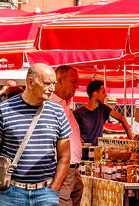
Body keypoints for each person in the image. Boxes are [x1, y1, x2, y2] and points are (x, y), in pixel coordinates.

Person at [0, 64, 72, 206]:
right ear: (30, 82)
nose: (52, 89)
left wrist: (54, 189)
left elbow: (65, 156)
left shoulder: (58, 112)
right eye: (47, 83)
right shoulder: (4, 110)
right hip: (10, 194)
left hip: (45, 193)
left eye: (54, 83)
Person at [51, 66, 83, 206]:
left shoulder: (65, 104)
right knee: (63, 202)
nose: (77, 86)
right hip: (62, 168)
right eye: (73, 81)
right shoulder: (51, 105)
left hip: (73, 169)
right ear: (59, 81)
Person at [74, 80, 131, 145]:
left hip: (98, 152)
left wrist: (131, 140)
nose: (106, 95)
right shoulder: (78, 113)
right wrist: (77, 137)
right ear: (95, 94)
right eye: (103, 92)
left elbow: (122, 119)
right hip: (83, 151)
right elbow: (70, 131)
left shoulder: (104, 109)